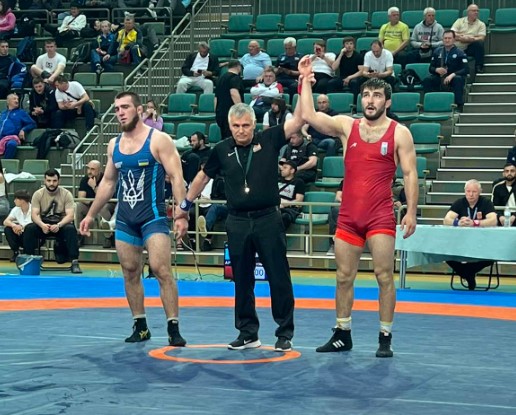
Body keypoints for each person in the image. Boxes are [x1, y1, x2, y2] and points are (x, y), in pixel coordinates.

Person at [298, 55, 418, 357]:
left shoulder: (399, 133)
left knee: (384, 276)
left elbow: (410, 174)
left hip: (380, 216)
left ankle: (385, 336)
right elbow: (309, 115)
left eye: (376, 95)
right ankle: (342, 333)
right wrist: (304, 81)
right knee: (343, 276)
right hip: (349, 217)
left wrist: (411, 211)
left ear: (387, 102)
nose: (370, 100)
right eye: (366, 94)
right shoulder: (347, 126)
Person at [179, 102, 303, 352]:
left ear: (254, 124)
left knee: (278, 276)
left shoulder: (269, 139)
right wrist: (184, 205)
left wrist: (305, 85)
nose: (241, 130)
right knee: (242, 279)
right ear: (229, 126)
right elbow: (203, 176)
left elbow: (299, 120)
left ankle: (284, 333)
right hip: (237, 220)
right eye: (236, 126)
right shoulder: (222, 149)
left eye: (246, 125)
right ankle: (248, 333)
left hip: (268, 218)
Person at [79, 91, 189, 346]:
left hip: (153, 216)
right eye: (117, 108)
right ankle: (140, 326)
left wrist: (182, 214)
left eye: (125, 107)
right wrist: (91, 214)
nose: (120, 112)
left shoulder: (158, 140)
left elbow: (177, 177)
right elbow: (108, 182)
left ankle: (173, 327)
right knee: (130, 271)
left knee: (161, 269)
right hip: (126, 219)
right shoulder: (114, 145)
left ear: (139, 110)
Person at [24, 168, 82, 273]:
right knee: (29, 228)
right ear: (44, 181)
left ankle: (74, 262)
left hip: (61, 225)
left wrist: (59, 225)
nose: (51, 183)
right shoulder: (38, 194)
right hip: (43, 225)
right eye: (49, 180)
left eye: (54, 181)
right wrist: (42, 225)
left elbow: (70, 215)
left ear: (59, 181)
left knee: (71, 229)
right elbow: (34, 214)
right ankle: (28, 260)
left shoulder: (66, 194)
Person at [443, 179, 497, 290]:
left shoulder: (486, 203)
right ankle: (468, 274)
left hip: (482, 243)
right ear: (465, 191)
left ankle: (467, 273)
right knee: (445, 254)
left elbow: (493, 220)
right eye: (468, 191)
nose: (471, 194)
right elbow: (446, 220)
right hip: (461, 243)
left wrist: (475, 223)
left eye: (474, 192)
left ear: (480, 192)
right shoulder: (459, 203)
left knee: (491, 257)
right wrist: (458, 223)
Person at [422, 30, 468, 111]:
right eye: (445, 38)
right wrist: (436, 69)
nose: (447, 40)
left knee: (458, 79)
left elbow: (466, 69)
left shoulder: (460, 52)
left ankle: (458, 105)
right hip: (440, 77)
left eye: (449, 38)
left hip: (453, 77)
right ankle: (430, 104)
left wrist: (452, 75)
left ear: (454, 39)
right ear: (442, 39)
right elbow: (431, 68)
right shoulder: (437, 51)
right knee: (427, 80)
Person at [76, 160, 116, 248]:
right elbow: (81, 197)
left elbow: (105, 197)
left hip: (107, 204)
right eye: (88, 168)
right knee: (78, 206)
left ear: (99, 170)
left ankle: (108, 237)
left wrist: (94, 186)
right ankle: (79, 235)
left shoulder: (105, 180)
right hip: (91, 204)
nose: (89, 171)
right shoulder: (85, 179)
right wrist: (92, 203)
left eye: (93, 169)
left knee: (103, 208)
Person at [451, 3, 486, 73]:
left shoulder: (481, 24)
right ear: (468, 12)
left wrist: (470, 39)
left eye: (477, 11)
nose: (476, 12)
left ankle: (479, 66)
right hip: (457, 47)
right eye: (474, 11)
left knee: (479, 43)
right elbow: (452, 33)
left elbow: (481, 38)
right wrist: (462, 37)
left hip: (470, 48)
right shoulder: (459, 21)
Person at [0, 93, 36, 159]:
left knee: (12, 144)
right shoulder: (3, 113)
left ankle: (6, 163)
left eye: (17, 99)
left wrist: (23, 130)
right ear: (8, 101)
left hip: (11, 137)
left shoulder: (21, 113)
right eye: (14, 99)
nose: (17, 101)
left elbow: (32, 124)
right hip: (1, 137)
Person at [196, 175, 227, 252]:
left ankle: (205, 228)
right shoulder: (219, 179)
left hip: (229, 207)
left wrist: (210, 200)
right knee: (192, 211)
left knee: (214, 208)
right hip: (215, 204)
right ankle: (197, 237)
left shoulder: (222, 180)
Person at [215, 60, 244, 139]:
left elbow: (216, 98)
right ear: (238, 67)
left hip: (221, 113)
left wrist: (216, 111)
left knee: (225, 139)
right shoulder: (235, 78)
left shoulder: (220, 79)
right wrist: (241, 109)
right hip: (232, 113)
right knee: (233, 138)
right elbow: (234, 93)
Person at [3, 189, 32, 262]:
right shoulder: (16, 209)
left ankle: (27, 253)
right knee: (7, 229)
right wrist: (14, 225)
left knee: (29, 229)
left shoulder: (34, 209)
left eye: (16, 199)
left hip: (31, 237)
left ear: (22, 200)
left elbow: (33, 224)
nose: (14, 201)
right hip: (20, 234)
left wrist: (21, 227)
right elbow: (5, 221)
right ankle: (16, 252)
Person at [278, 160, 305, 230]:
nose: (282, 169)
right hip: (275, 207)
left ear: (292, 170)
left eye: (285, 167)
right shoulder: (277, 180)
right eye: (282, 167)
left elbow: (299, 201)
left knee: (284, 217)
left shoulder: (299, 182)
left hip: (288, 208)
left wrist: (285, 204)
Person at [326, 180, 343, 256]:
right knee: (334, 209)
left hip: (359, 207)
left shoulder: (364, 182)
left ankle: (334, 244)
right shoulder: (345, 181)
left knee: (333, 214)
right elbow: (338, 197)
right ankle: (334, 244)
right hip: (345, 205)